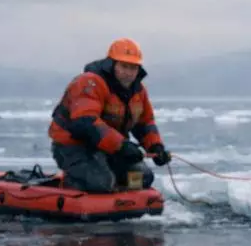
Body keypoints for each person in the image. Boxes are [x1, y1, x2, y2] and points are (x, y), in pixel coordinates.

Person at [47, 38, 173, 193]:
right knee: (100, 183)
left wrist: (156, 147)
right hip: (73, 146)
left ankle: (119, 196)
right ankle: (71, 185)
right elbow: (85, 123)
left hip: (110, 147)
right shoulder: (89, 82)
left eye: (133, 67)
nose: (128, 72)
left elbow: (145, 123)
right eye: (124, 66)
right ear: (112, 65)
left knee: (143, 178)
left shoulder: (139, 91)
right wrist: (122, 146)